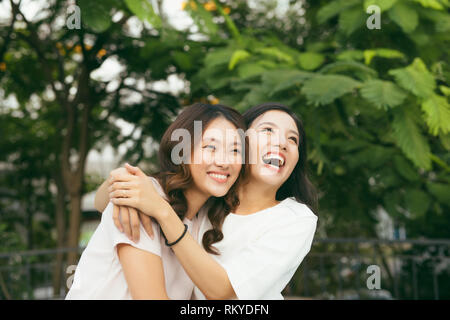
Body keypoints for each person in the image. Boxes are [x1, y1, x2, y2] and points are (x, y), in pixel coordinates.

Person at [104, 102, 318, 299]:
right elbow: (102, 202)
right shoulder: (208, 200)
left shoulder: (295, 219)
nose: (282, 143)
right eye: (268, 130)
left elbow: (221, 290)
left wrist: (161, 211)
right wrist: (123, 181)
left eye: (293, 139)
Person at [65, 103, 246, 299]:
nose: (224, 161)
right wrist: (121, 184)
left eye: (235, 151)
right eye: (211, 147)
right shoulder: (142, 196)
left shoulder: (208, 218)